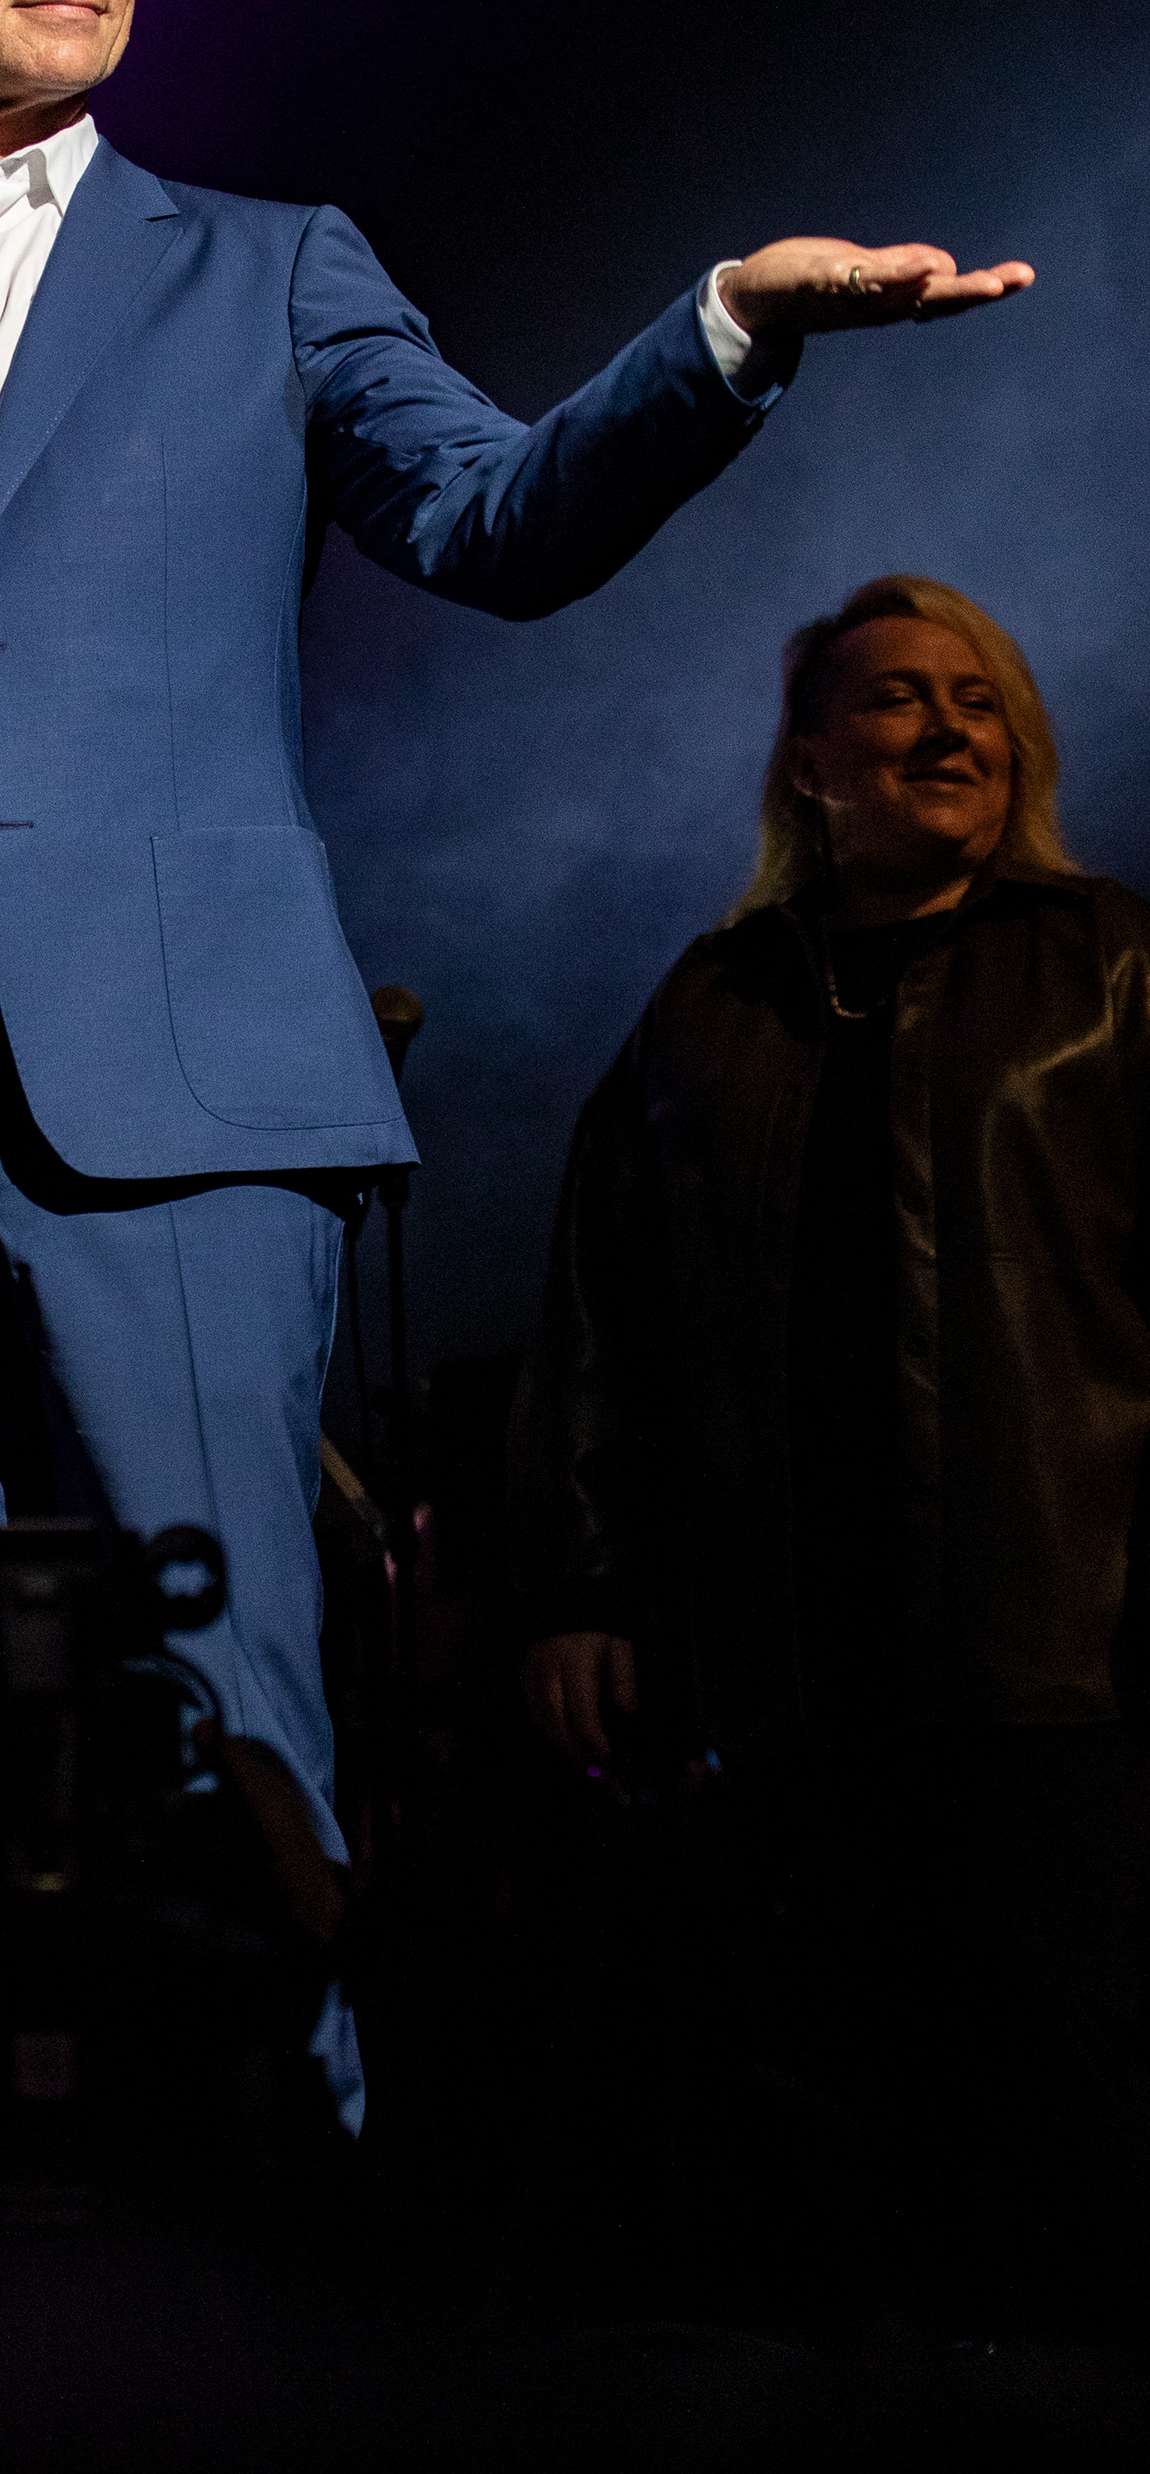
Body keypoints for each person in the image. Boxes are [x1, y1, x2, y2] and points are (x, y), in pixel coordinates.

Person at [0, 0, 1030, 2126]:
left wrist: (725, 333)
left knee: (222, 1722)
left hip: (184, 1138)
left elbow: (495, 521)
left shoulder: (265, 270)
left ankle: (278, 2202)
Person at [515, 575, 1150, 2324]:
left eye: (977, 698)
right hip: (783, 1668)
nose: (947, 728)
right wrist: (579, 1589)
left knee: (1073, 2089)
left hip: (1059, 1659)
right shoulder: (713, 1000)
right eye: (897, 698)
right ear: (807, 763)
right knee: (824, 2106)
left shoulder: (1111, 963)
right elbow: (598, 1307)